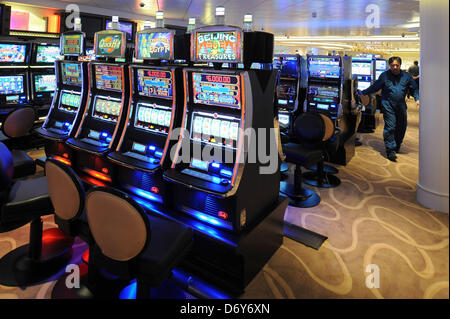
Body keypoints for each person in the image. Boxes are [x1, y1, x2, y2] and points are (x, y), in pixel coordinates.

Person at [359, 56, 420, 162]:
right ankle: (390, 150)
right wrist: (363, 92)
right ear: (389, 66)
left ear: (400, 65)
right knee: (390, 126)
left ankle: (396, 145)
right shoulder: (384, 76)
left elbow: (414, 89)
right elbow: (375, 87)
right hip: (388, 105)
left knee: (402, 126)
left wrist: (417, 99)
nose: (395, 67)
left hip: (401, 105)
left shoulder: (407, 76)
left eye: (397, 65)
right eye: (392, 65)